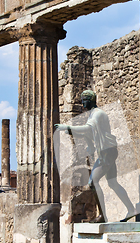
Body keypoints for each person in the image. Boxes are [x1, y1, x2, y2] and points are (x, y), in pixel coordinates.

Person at [55, 90, 135, 222]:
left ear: (91, 100)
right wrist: (90, 146)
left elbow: (88, 129)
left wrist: (67, 127)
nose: (82, 103)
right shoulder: (92, 114)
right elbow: (92, 133)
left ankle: (103, 216)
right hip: (107, 151)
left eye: (84, 100)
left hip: (107, 152)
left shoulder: (98, 114)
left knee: (93, 181)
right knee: (113, 183)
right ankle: (131, 209)